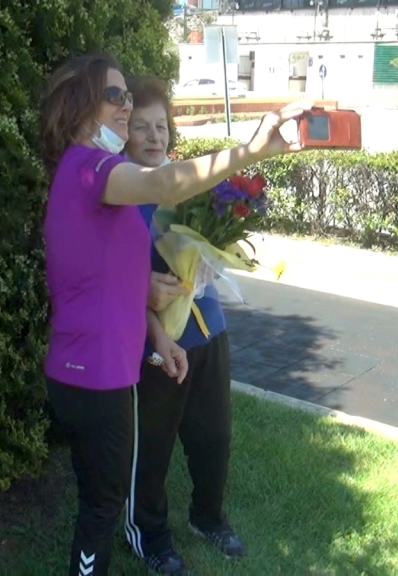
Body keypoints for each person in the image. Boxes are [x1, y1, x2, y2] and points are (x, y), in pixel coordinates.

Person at [40, 53, 311, 576]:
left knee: (102, 500)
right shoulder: (91, 169)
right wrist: (252, 149)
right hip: (92, 374)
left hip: (102, 369)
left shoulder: (96, 176)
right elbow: (166, 183)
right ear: (80, 105)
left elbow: (113, 282)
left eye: (127, 95)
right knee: (101, 507)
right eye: (114, 96)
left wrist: (159, 338)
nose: (125, 106)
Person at [120, 75, 242, 575]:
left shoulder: (188, 186)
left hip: (208, 329)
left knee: (214, 436)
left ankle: (207, 517)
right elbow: (114, 281)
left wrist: (211, 260)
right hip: (154, 341)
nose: (154, 137)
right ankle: (149, 536)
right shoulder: (121, 193)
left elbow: (211, 240)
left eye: (161, 126)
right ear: (124, 133)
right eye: (141, 127)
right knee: (151, 448)